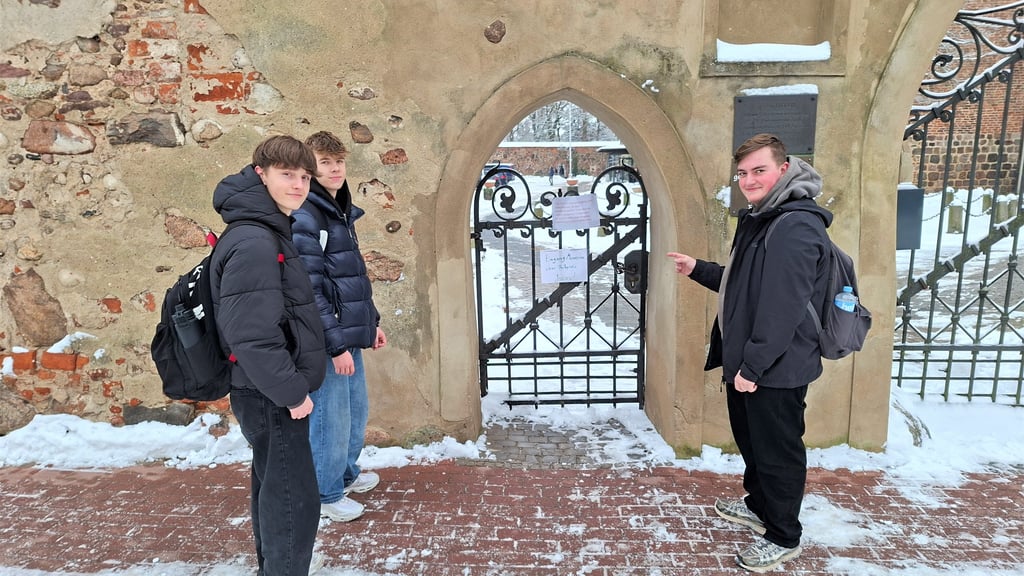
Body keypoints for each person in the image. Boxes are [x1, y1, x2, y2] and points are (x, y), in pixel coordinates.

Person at [667, 133, 831, 573]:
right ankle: (760, 507)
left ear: (783, 169)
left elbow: (784, 307)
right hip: (752, 363)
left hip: (774, 366)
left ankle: (783, 536)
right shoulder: (764, 217)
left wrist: (753, 366)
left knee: (777, 450)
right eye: (742, 173)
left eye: (758, 170)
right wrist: (698, 269)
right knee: (754, 443)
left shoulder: (794, 224)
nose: (748, 180)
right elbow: (747, 284)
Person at [210, 135, 328, 575]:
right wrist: (292, 393)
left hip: (266, 390)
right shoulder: (256, 241)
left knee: (275, 491)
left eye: (303, 177)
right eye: (287, 175)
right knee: (293, 502)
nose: (298, 185)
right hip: (271, 393)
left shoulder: (266, 228)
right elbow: (252, 335)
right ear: (260, 173)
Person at [292, 130, 387, 523]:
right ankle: (326, 492)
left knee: (354, 411)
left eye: (339, 162)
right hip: (328, 338)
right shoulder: (306, 215)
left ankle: (345, 475)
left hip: (349, 331)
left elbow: (351, 276)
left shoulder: (338, 210)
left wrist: (373, 322)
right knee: (331, 416)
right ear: (310, 170)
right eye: (325, 162)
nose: (335, 169)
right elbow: (310, 287)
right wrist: (334, 345)